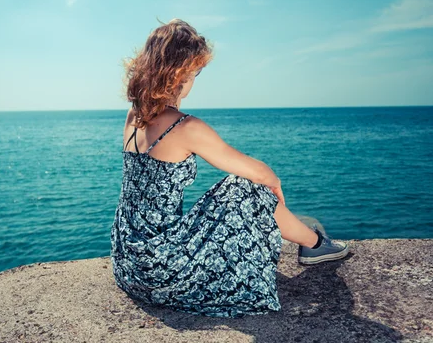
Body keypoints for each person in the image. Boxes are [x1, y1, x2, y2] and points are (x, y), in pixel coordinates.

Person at [110, 18, 350, 318]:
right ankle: (315, 244)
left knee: (243, 188)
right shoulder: (185, 126)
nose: (195, 79)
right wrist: (273, 186)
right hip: (160, 268)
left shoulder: (133, 116)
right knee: (247, 187)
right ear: (179, 73)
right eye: (195, 71)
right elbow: (258, 172)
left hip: (128, 264)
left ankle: (306, 238)